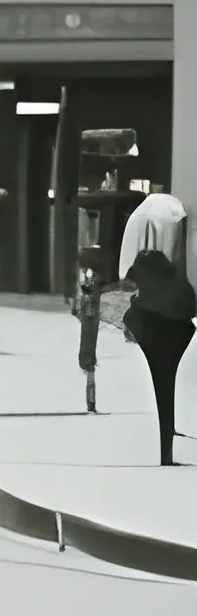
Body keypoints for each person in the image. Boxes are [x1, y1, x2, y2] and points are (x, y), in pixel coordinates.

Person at [118, 193, 194, 465]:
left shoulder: (140, 221)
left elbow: (125, 275)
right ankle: (166, 444)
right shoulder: (174, 219)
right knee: (166, 381)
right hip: (172, 321)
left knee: (162, 382)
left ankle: (166, 444)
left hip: (149, 318)